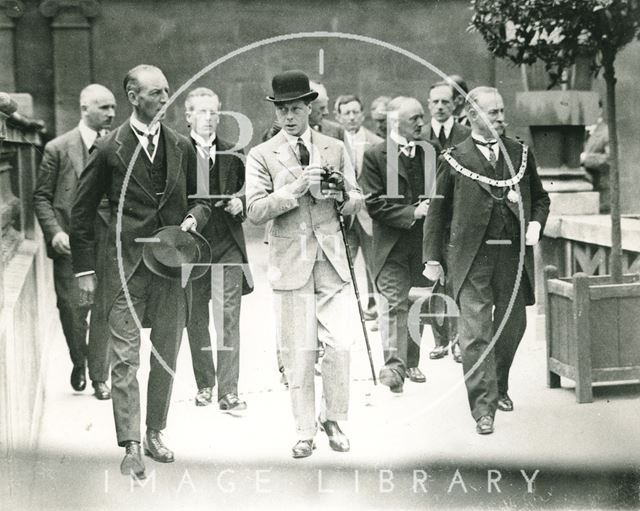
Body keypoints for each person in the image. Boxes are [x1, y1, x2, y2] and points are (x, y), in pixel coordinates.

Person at [70, 65, 211, 478]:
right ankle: (130, 444)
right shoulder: (111, 148)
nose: (163, 99)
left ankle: (154, 431)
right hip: (126, 269)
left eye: (166, 91)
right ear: (133, 96)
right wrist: (84, 272)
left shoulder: (182, 146)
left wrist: (193, 218)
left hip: (171, 268)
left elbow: (202, 200)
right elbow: (80, 212)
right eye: (154, 93)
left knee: (166, 354)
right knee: (125, 358)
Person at [246, 70, 363, 459]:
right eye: (282, 109)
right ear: (275, 112)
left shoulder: (334, 146)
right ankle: (303, 430)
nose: (289, 116)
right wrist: (294, 190)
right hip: (289, 260)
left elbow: (356, 197)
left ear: (310, 107)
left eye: (296, 108)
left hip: (331, 259)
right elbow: (255, 211)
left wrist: (345, 195)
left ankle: (334, 418)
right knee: (298, 352)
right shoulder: (262, 155)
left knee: (340, 344)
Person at [423, 86, 550, 435]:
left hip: (511, 253)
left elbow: (541, 198)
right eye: (493, 112)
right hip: (471, 257)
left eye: (502, 110)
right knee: (475, 331)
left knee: (513, 326)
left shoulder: (519, 152)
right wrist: (431, 257)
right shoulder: (453, 157)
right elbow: (437, 211)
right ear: (472, 115)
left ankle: (499, 384)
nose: (501, 117)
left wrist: (537, 224)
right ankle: (483, 407)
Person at [33, 83, 115, 400]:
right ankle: (78, 361)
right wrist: (55, 232)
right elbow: (41, 197)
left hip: (104, 241)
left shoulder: (116, 147)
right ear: (84, 108)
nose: (111, 113)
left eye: (112, 107)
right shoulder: (57, 148)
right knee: (71, 309)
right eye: (104, 107)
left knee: (103, 309)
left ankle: (99, 377)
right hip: (69, 243)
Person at [361, 96, 438, 392]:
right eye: (414, 119)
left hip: (422, 245)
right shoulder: (375, 155)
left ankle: (411, 361)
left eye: (422, 117)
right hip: (391, 245)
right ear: (395, 122)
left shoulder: (430, 152)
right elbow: (374, 204)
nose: (421, 123)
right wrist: (413, 212)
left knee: (416, 301)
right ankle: (394, 368)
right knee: (394, 303)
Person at [183, 87, 253, 411]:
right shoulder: (177, 153)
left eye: (213, 112)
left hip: (227, 245)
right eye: (201, 112)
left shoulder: (234, 154)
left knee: (227, 318)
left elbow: (250, 193)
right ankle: (205, 385)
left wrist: (241, 203)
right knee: (195, 319)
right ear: (188, 117)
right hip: (191, 248)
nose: (208, 118)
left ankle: (228, 391)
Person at [424, 81, 472, 363]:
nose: (440, 107)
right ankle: (440, 339)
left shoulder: (466, 134)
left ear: (455, 104)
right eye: (435, 102)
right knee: (433, 278)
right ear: (429, 104)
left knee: (456, 279)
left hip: (458, 216)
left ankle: (457, 340)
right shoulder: (421, 135)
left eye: (445, 102)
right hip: (431, 216)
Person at [334, 94, 382, 328]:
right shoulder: (333, 143)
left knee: (376, 265)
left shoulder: (376, 142)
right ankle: (342, 315)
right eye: (346, 113)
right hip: (344, 217)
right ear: (338, 117)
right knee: (341, 266)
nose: (352, 117)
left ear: (362, 114)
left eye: (355, 112)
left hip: (370, 215)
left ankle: (379, 311)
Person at [261, 80, 344, 141]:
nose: (326, 112)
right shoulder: (277, 131)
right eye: (321, 108)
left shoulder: (336, 131)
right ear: (308, 107)